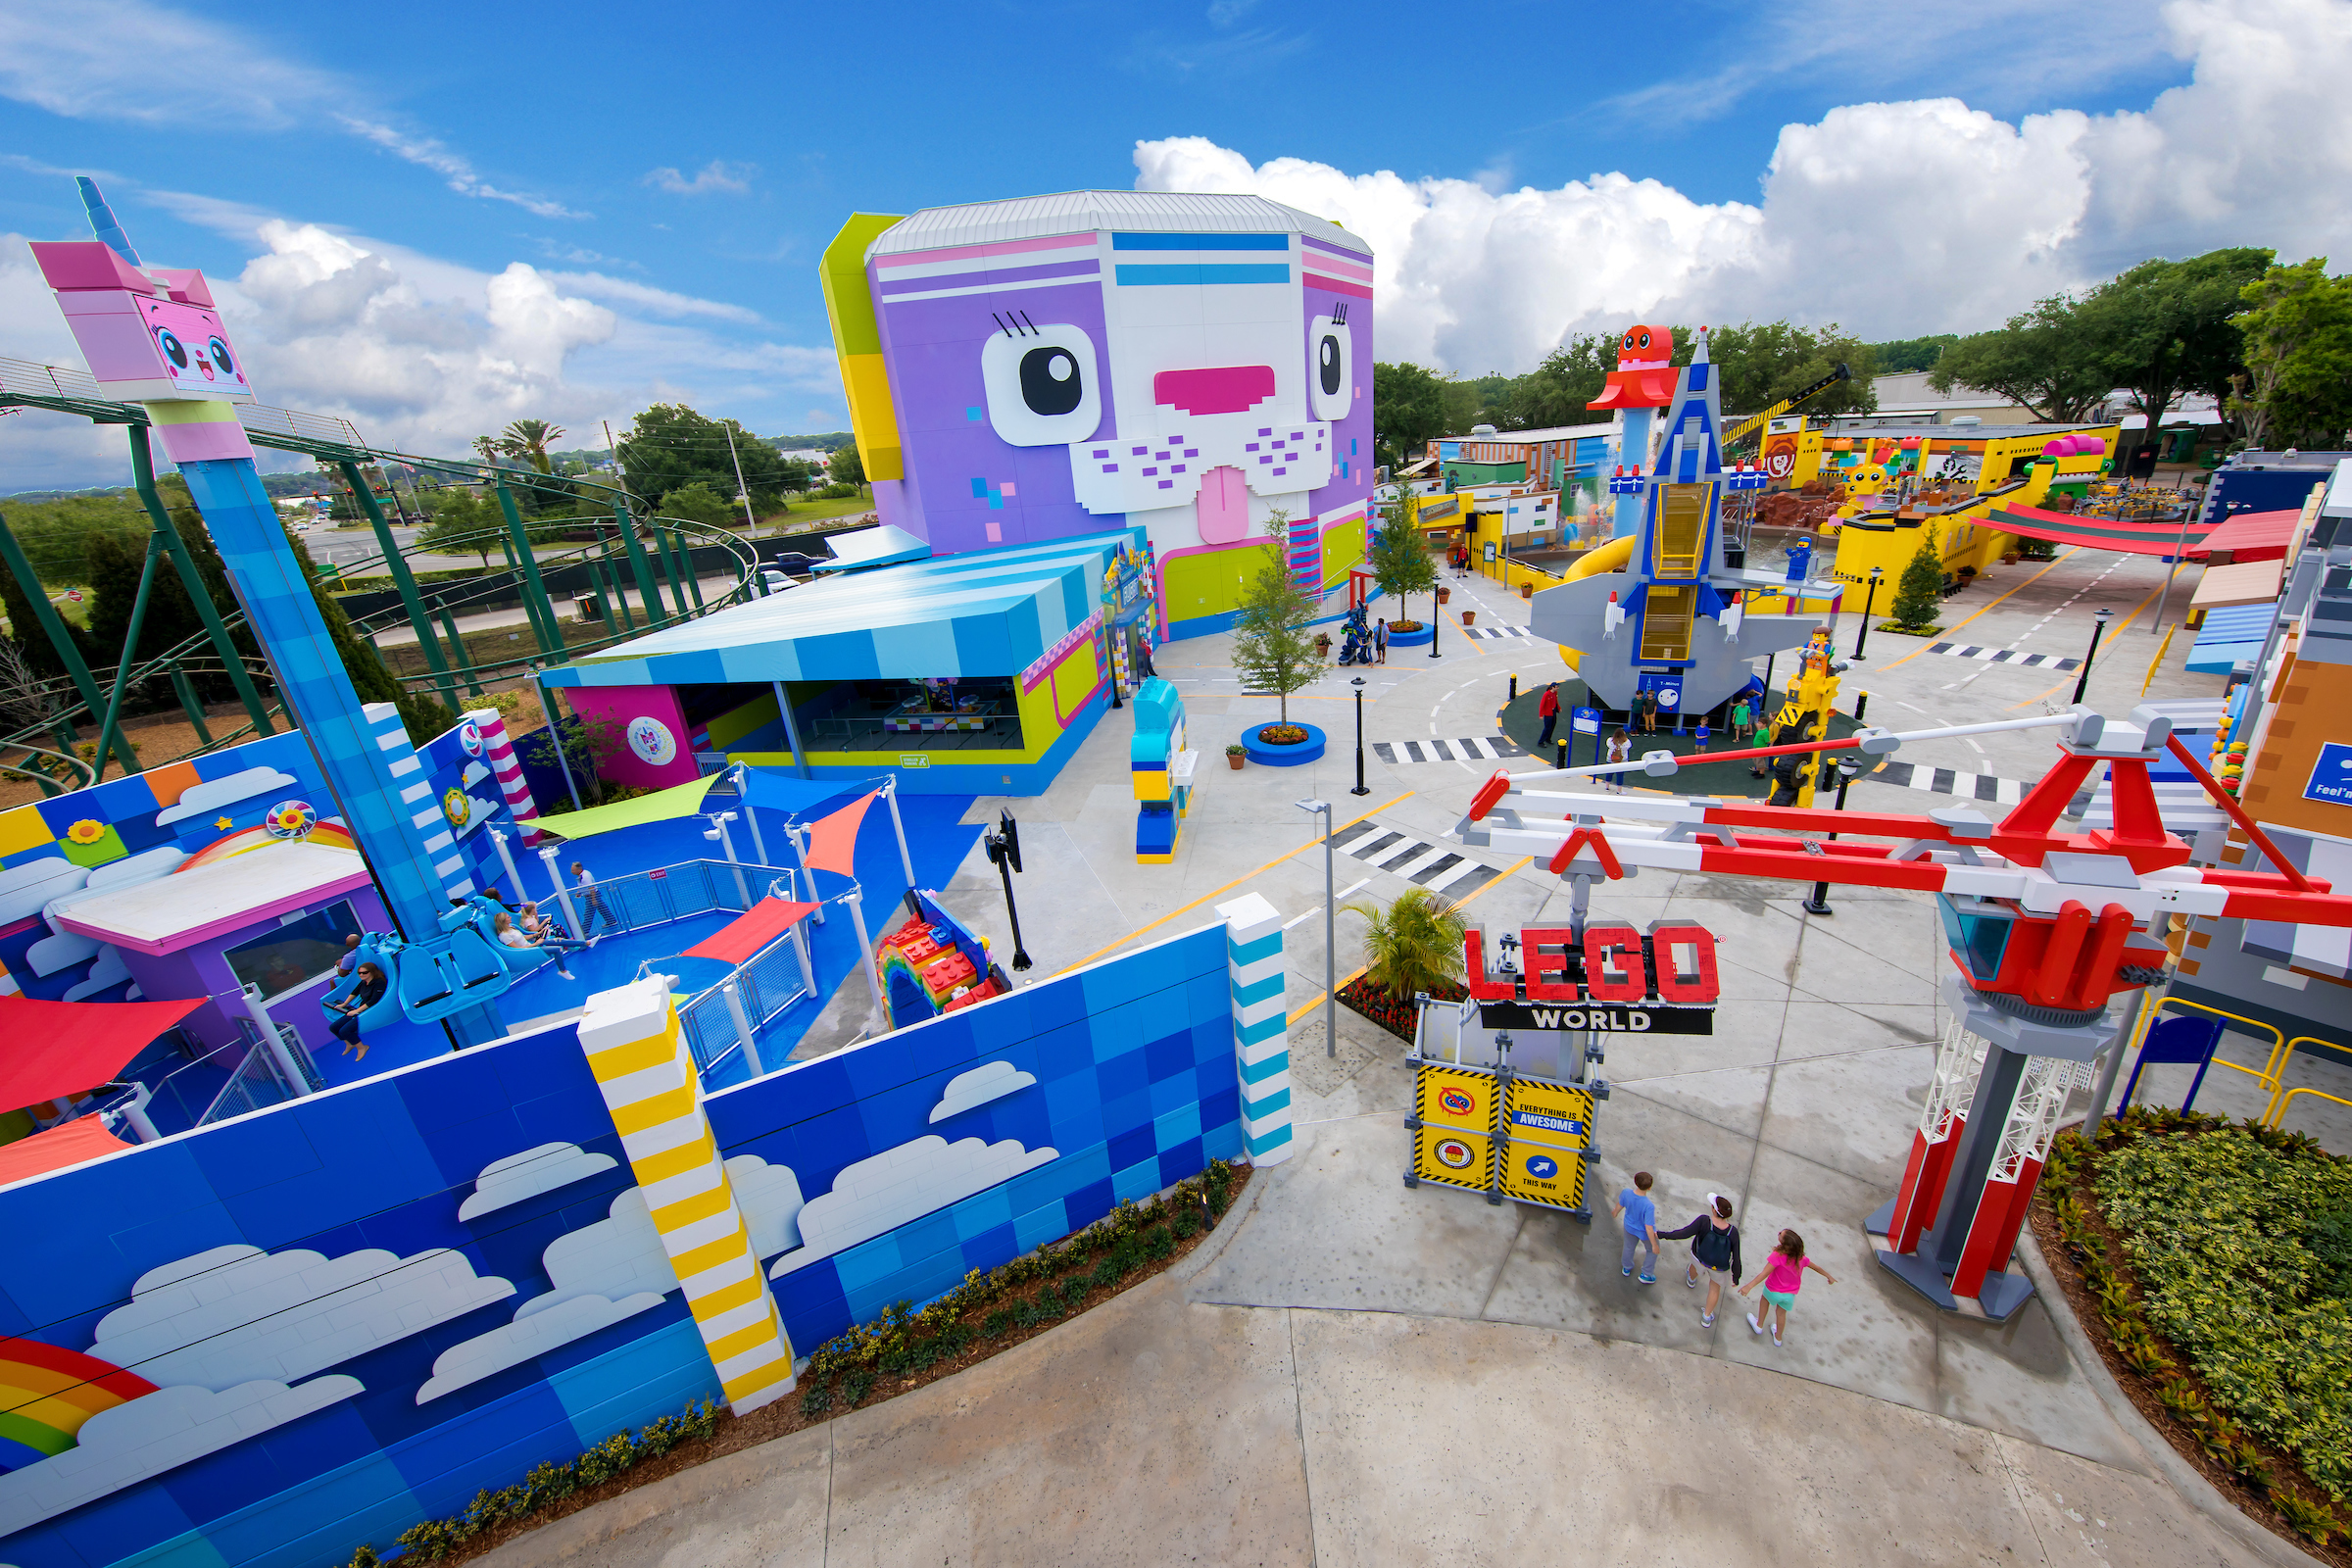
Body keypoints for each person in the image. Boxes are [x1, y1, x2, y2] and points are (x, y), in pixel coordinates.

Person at [1739, 1228, 1838, 1348]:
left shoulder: (1777, 1256)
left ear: (1783, 1243)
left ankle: (1759, 1325)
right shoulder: (1801, 1259)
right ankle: (1778, 1338)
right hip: (1789, 1295)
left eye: (1780, 1234)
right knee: (1781, 1314)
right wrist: (1828, 1276)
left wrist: (1749, 1286)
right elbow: (1817, 1268)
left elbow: (1764, 1273)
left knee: (1764, 1302)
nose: (1778, 1234)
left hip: (1772, 1290)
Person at [1659, 1194, 1742, 1327]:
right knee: (1714, 1290)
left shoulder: (1704, 1221)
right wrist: (1736, 1277)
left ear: (1714, 1210)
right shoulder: (1733, 1232)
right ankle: (1706, 1317)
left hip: (1699, 1258)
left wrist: (1662, 1234)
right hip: (1719, 1268)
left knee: (1694, 1267)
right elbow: (1736, 1257)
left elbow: (1684, 1233)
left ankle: (1691, 1280)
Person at [326, 961, 386, 1058]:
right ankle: (349, 1043)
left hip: (370, 1010)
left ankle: (362, 1048)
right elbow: (354, 992)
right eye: (360, 973)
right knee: (333, 1027)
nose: (361, 975)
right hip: (361, 1009)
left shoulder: (379, 983)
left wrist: (357, 1011)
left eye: (364, 973)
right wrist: (344, 1004)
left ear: (372, 972)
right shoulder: (364, 982)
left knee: (345, 1031)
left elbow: (373, 1001)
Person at [496, 909, 576, 980]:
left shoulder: (511, 928)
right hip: (530, 951)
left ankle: (581, 944)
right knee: (557, 949)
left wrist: (537, 934)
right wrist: (535, 944)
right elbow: (518, 949)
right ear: (503, 921)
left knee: (557, 941)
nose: (510, 917)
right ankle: (563, 971)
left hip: (532, 946)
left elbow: (523, 937)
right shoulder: (504, 936)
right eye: (508, 917)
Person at [1611, 1170, 1660, 1285]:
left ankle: (1626, 1267)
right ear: (1649, 1188)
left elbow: (1619, 1205)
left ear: (1635, 1182)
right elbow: (1648, 1227)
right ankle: (1646, 1274)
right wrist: (1654, 1245)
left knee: (1628, 1247)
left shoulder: (1626, 1193)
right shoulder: (1648, 1206)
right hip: (1643, 1232)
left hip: (1629, 1227)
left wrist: (1615, 1213)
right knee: (1651, 1251)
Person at [571, 859, 617, 938]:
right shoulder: (583, 874)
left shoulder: (585, 877)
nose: (572, 872)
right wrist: (580, 892)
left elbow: (591, 888)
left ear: (578, 869)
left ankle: (584, 932)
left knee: (588, 914)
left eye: (573, 870)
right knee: (602, 908)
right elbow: (583, 886)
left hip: (591, 896)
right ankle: (611, 921)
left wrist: (593, 899)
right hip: (592, 895)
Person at [1605, 728, 1631, 793]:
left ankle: (1607, 787)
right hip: (1622, 761)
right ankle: (1619, 791)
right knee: (1620, 775)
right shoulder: (1626, 742)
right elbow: (1629, 746)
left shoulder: (1610, 740)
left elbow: (1608, 745)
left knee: (1609, 773)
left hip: (1611, 759)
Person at [1537, 682, 1560, 747]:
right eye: (1557, 687)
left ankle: (1548, 738)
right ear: (1553, 687)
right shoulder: (1546, 694)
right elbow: (1542, 704)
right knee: (1547, 728)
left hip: (1553, 712)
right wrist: (1541, 714)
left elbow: (1556, 701)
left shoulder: (1555, 693)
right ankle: (1540, 742)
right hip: (1548, 713)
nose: (1558, 688)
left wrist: (1558, 708)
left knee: (1553, 725)